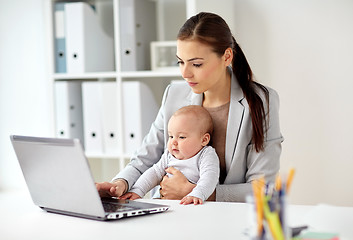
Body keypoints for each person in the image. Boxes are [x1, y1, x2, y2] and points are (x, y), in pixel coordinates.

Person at [96, 12, 283, 202]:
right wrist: (119, 184)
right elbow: (145, 158)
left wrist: (197, 192)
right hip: (170, 211)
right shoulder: (174, 94)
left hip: (228, 218)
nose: (185, 73)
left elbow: (264, 188)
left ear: (227, 57)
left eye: (196, 64)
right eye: (180, 62)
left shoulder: (261, 101)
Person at [119, 105, 219, 205]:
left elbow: (209, 178)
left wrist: (197, 194)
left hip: (191, 205)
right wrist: (138, 190)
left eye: (182, 137)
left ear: (204, 140)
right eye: (171, 136)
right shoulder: (169, 154)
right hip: (165, 202)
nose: (173, 142)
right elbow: (154, 173)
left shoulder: (206, 155)